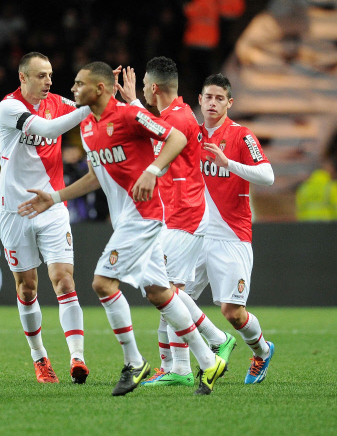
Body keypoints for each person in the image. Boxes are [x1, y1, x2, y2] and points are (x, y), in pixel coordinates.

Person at [19, 61, 227, 396]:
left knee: (102, 283)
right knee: (159, 291)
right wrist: (55, 197)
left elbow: (175, 137)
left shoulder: (130, 116)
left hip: (144, 215)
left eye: (79, 84)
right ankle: (209, 359)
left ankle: (134, 362)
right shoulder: (88, 127)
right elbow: (95, 176)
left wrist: (153, 171)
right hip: (127, 219)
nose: (73, 89)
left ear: (100, 88)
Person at [115, 57, 236, 388]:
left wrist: (147, 170)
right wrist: (132, 103)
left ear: (154, 87)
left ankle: (210, 344)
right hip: (178, 214)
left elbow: (160, 152)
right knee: (166, 292)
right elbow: (151, 130)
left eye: (144, 86)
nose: (143, 90)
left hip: (186, 215)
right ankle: (182, 364)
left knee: (163, 290)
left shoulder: (178, 120)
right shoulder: (175, 114)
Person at [0, 52, 91, 384]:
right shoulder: (9, 107)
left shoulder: (59, 103)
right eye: (41, 75)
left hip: (51, 206)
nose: (48, 81)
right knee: (27, 288)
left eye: (50, 74)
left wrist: (112, 100)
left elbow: (96, 110)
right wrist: (91, 105)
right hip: (16, 210)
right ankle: (40, 358)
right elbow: (49, 128)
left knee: (64, 280)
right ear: (23, 78)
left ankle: (77, 358)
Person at [186, 73, 275, 384]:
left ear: (229, 103)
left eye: (219, 98)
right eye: (208, 97)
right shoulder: (191, 135)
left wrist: (229, 164)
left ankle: (262, 351)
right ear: (200, 100)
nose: (213, 103)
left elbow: (268, 176)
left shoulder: (241, 136)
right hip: (195, 235)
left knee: (233, 313)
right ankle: (178, 368)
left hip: (231, 235)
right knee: (173, 299)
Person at [295, 154, 337, 221]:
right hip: (328, 225)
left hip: (308, 225)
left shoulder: (304, 188)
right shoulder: (332, 187)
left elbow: (299, 210)